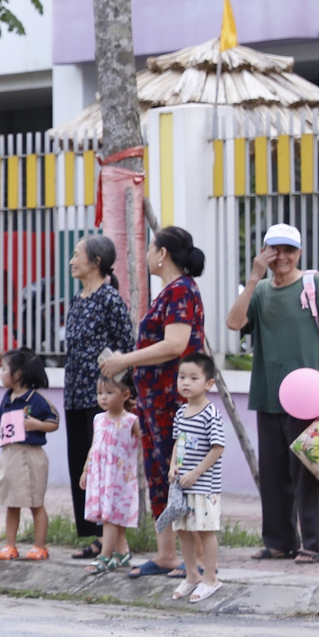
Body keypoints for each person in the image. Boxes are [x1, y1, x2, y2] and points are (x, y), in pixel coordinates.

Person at [223, 222, 319, 565]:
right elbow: (233, 323)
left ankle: (318, 544)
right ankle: (278, 541)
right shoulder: (259, 291)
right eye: (275, 250)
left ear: (299, 253)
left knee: (310, 472)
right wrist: (253, 278)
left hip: (309, 397)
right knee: (274, 473)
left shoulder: (312, 283)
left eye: (289, 250)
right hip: (268, 394)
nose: (282, 257)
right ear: (264, 252)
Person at [101, 227, 208, 579]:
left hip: (170, 400)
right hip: (154, 400)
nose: (146, 255)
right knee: (162, 476)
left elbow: (176, 344)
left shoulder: (180, 291)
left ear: (162, 254)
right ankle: (167, 555)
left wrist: (125, 361)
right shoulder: (171, 292)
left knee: (180, 475)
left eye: (150, 248)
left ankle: (195, 561)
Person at [62, 235, 135, 557]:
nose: (71, 261)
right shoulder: (77, 299)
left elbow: (126, 347)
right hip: (75, 392)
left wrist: (119, 395)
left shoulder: (110, 299)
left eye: (77, 255)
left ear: (96, 262)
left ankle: (106, 538)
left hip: (102, 397)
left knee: (103, 466)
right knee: (81, 464)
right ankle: (90, 532)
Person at [167, 355, 227, 602]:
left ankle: (210, 578)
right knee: (183, 530)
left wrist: (196, 472)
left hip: (203, 487)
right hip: (181, 487)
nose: (186, 383)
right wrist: (173, 467)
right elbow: (177, 443)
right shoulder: (181, 412)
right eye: (182, 377)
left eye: (193, 378)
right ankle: (191, 575)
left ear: (209, 383)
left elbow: (217, 447)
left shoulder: (210, 413)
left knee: (204, 531)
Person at [0, 349, 59, 561]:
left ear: (19, 374)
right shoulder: (6, 399)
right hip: (10, 455)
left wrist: (38, 425)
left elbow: (54, 422)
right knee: (11, 502)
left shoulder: (37, 400)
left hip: (30, 457)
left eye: (4, 369)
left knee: (35, 502)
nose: (1, 373)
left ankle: (40, 546)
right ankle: (10, 545)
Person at [79, 371, 141, 575]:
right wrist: (86, 469)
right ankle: (122, 553)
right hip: (101, 476)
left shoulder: (131, 421)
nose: (103, 397)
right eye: (99, 392)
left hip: (119, 478)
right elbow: (94, 446)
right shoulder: (98, 419)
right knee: (110, 516)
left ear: (125, 395)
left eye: (109, 392)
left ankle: (104, 556)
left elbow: (145, 440)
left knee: (112, 517)